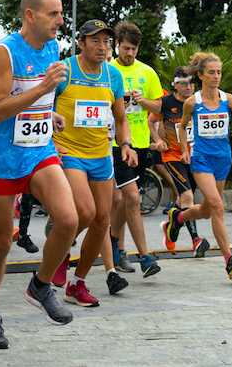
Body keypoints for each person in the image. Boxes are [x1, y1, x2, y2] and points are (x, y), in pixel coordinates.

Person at [0, 0, 78, 349]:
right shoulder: (6, 51)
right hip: (2, 156)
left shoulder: (52, 46)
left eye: (61, 13)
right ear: (30, 15)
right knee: (1, 242)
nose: (61, 21)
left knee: (68, 219)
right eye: (53, 14)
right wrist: (41, 91)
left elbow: (41, 98)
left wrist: (50, 116)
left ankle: (40, 285)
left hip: (39, 150)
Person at [51, 19, 136, 308]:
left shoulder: (112, 75)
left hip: (101, 155)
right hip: (70, 153)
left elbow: (121, 118)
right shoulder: (64, 70)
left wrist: (125, 144)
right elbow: (41, 108)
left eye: (106, 42)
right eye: (96, 41)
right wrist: (53, 141)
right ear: (81, 43)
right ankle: (60, 252)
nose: (103, 47)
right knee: (85, 212)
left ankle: (77, 283)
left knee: (102, 219)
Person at [163, 52, 232, 280]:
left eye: (219, 72)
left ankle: (178, 218)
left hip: (223, 159)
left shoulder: (228, 99)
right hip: (202, 159)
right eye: (211, 72)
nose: (216, 76)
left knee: (206, 211)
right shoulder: (193, 102)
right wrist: (185, 150)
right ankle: (229, 261)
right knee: (218, 206)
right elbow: (182, 128)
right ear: (201, 75)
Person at [108, 21, 163, 278]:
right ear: (117, 45)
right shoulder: (107, 70)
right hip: (118, 144)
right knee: (131, 198)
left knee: (123, 201)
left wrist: (143, 101)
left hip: (141, 145)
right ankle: (144, 257)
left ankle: (115, 243)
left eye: (134, 49)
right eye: (126, 48)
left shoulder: (148, 73)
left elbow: (159, 107)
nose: (130, 53)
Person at [151, 66, 210, 257]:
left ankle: (171, 225)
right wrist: (158, 141)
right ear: (175, 85)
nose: (189, 87)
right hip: (173, 156)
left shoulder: (197, 102)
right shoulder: (166, 103)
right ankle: (196, 240)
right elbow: (151, 121)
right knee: (188, 198)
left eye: (192, 82)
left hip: (195, 156)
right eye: (184, 83)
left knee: (184, 199)